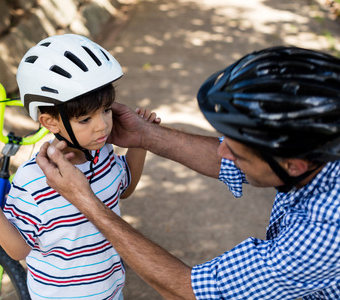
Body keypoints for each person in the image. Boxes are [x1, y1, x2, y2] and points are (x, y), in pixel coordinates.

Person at [36, 46, 340, 300]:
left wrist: (87, 202)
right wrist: (145, 136)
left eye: (237, 152)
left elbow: (191, 291)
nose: (222, 152)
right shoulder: (319, 147)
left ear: (295, 166)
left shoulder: (324, 230)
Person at [0, 34, 160, 300]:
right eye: (85, 119)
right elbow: (18, 250)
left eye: (106, 110)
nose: (102, 126)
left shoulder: (101, 153)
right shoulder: (34, 180)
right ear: (50, 123)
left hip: (111, 290)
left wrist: (140, 142)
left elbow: (124, 187)